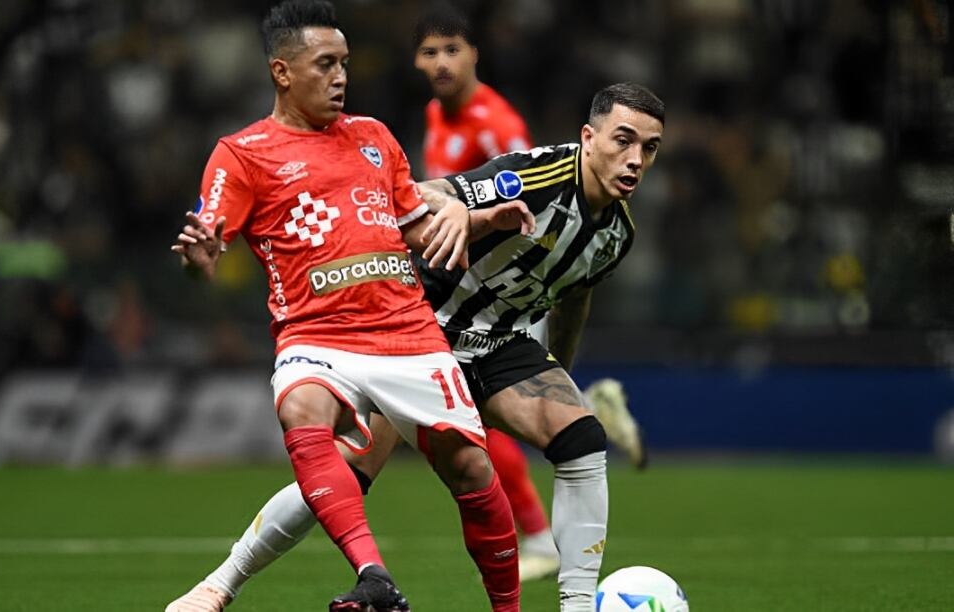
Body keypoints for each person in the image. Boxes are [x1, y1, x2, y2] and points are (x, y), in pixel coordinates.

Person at [168, 80, 665, 612]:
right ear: (589, 138)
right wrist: (453, 207)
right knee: (349, 472)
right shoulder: (538, 176)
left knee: (582, 436)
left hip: (500, 344)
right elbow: (420, 194)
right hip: (422, 329)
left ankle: (577, 605)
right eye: (622, 140)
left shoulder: (616, 233)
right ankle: (220, 584)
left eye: (649, 148)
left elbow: (573, 298)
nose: (634, 159)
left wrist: (556, 374)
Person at [166, 2, 522, 611]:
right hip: (315, 331)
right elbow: (209, 234)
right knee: (303, 407)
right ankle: (374, 575)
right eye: (325, 64)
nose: (341, 77)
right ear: (282, 72)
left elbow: (413, 224)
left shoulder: (375, 138)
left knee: (471, 472)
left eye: (345, 64)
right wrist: (198, 259)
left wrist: (483, 218)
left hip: (408, 333)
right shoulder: (243, 152)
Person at [413, 3, 647, 582]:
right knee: (389, 449)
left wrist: (477, 216)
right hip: (447, 298)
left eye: (452, 51)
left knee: (523, 422)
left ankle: (541, 536)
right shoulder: (437, 117)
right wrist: (454, 219)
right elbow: (429, 194)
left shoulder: (496, 122)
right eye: (429, 52)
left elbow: (534, 196)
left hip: (522, 282)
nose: (441, 63)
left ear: (474, 57)